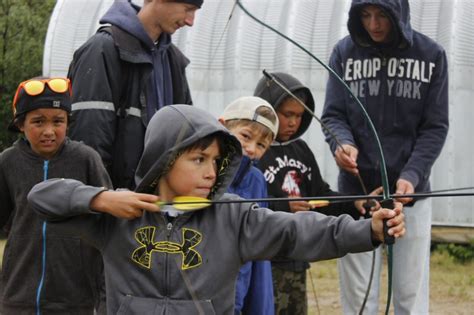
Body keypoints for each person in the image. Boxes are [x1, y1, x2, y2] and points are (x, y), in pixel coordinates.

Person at [27, 104, 405, 314]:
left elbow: (299, 232)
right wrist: (101, 199)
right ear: (164, 159)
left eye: (216, 161)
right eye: (198, 159)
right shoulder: (120, 213)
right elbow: (42, 198)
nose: (211, 172)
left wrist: (368, 230)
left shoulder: (234, 216)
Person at [321, 0, 449, 314]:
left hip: (411, 197)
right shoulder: (343, 53)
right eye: (365, 15)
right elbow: (334, 116)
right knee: (359, 297)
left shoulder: (431, 56)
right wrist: (342, 144)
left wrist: (412, 175)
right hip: (358, 193)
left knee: (409, 296)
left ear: (399, 14)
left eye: (382, 15)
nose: (374, 24)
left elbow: (435, 127)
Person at [254, 72, 377, 315]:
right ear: (266, 110)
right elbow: (245, 205)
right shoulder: (253, 153)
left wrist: (355, 203)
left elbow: (321, 197)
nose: (293, 123)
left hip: (295, 258)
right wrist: (284, 207)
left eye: (299, 116)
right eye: (287, 114)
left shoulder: (301, 150)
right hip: (263, 260)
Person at [0, 77, 112, 314]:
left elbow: (109, 227)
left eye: (58, 121)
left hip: (75, 297)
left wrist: (104, 299)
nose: (49, 131)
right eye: (38, 122)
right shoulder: (8, 162)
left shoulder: (86, 159)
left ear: (68, 123)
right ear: (21, 124)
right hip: (18, 296)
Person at [67, 0, 203, 189]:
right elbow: (89, 136)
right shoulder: (103, 49)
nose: (190, 21)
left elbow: (185, 135)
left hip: (154, 203)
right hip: (114, 205)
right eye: (188, 9)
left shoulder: (173, 61)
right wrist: (101, 198)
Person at [219, 96, 278, 315]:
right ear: (222, 125)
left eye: (261, 145)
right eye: (245, 136)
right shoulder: (204, 172)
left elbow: (259, 248)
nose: (251, 149)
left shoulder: (256, 180)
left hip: (239, 292)